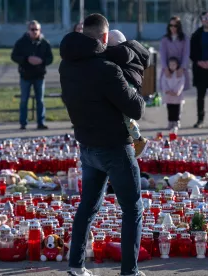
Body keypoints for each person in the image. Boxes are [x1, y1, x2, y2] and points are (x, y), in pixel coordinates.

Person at [59, 13, 146, 276]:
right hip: (115, 147)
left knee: (88, 206)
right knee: (133, 208)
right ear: (105, 38)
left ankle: (76, 265)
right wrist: (133, 81)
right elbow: (136, 108)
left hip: (87, 146)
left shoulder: (67, 65)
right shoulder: (107, 69)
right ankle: (129, 271)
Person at [104, 29, 150, 157]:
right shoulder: (135, 48)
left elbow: (121, 55)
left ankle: (138, 139)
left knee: (126, 114)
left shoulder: (124, 51)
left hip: (128, 83)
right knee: (123, 113)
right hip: (131, 83)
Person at [11, 20, 54, 130]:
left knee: (40, 100)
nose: (34, 31)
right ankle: (23, 123)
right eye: (32, 29)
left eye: (37, 29)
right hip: (25, 76)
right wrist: (26, 59)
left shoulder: (45, 43)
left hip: (39, 76)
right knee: (24, 100)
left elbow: (50, 58)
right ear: (28, 30)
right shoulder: (21, 42)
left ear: (40, 30)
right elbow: (14, 56)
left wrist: (41, 61)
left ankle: (41, 122)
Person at [159, 16, 190, 94]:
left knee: (179, 93)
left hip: (180, 70)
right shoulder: (164, 39)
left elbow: (186, 54)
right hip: (168, 69)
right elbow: (162, 55)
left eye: (175, 26)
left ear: (179, 27)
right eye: (171, 25)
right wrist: (165, 68)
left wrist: (182, 68)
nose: (172, 28)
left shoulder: (185, 39)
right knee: (168, 93)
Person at [161, 57, 185, 131]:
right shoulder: (166, 73)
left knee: (177, 109)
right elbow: (163, 82)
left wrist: (177, 91)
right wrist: (167, 90)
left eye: (174, 64)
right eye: (170, 64)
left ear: (177, 65)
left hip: (177, 95)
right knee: (170, 109)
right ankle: (170, 122)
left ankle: (176, 122)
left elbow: (181, 83)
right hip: (169, 95)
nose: (172, 66)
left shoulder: (180, 74)